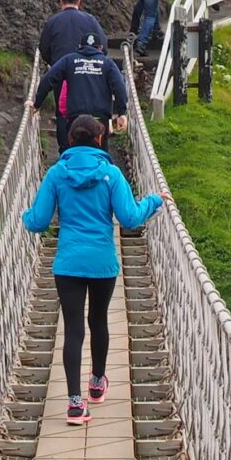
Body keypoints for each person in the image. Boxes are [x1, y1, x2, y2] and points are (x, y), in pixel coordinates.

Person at [19, 114, 163, 424]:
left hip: (68, 263)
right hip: (102, 263)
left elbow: (39, 221)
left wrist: (24, 215)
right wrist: (153, 201)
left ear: (70, 141)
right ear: (99, 140)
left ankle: (74, 404)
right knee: (98, 320)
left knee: (73, 329)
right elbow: (130, 218)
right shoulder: (111, 174)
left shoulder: (57, 174)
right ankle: (97, 384)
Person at [30, 31, 130, 152]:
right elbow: (119, 86)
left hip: (76, 120)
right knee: (101, 155)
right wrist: (122, 113)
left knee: (75, 152)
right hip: (100, 119)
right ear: (101, 48)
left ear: (79, 46)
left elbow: (48, 79)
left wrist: (37, 104)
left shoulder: (69, 60)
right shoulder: (108, 64)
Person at [37, 0, 104, 71]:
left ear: (61, 2)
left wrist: (53, 62)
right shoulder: (91, 20)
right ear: (79, 2)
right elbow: (103, 44)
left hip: (59, 68)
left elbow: (44, 47)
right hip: (85, 69)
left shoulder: (52, 21)